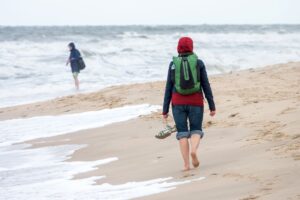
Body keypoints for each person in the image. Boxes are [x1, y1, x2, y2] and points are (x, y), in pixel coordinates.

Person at [162, 37, 216, 171]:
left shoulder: (173, 64)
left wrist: (165, 110)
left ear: (178, 48)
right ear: (191, 47)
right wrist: (212, 105)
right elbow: (205, 85)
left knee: (182, 133)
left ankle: (186, 165)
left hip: (178, 102)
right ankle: (194, 150)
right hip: (196, 101)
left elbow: (168, 86)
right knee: (196, 129)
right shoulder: (199, 63)